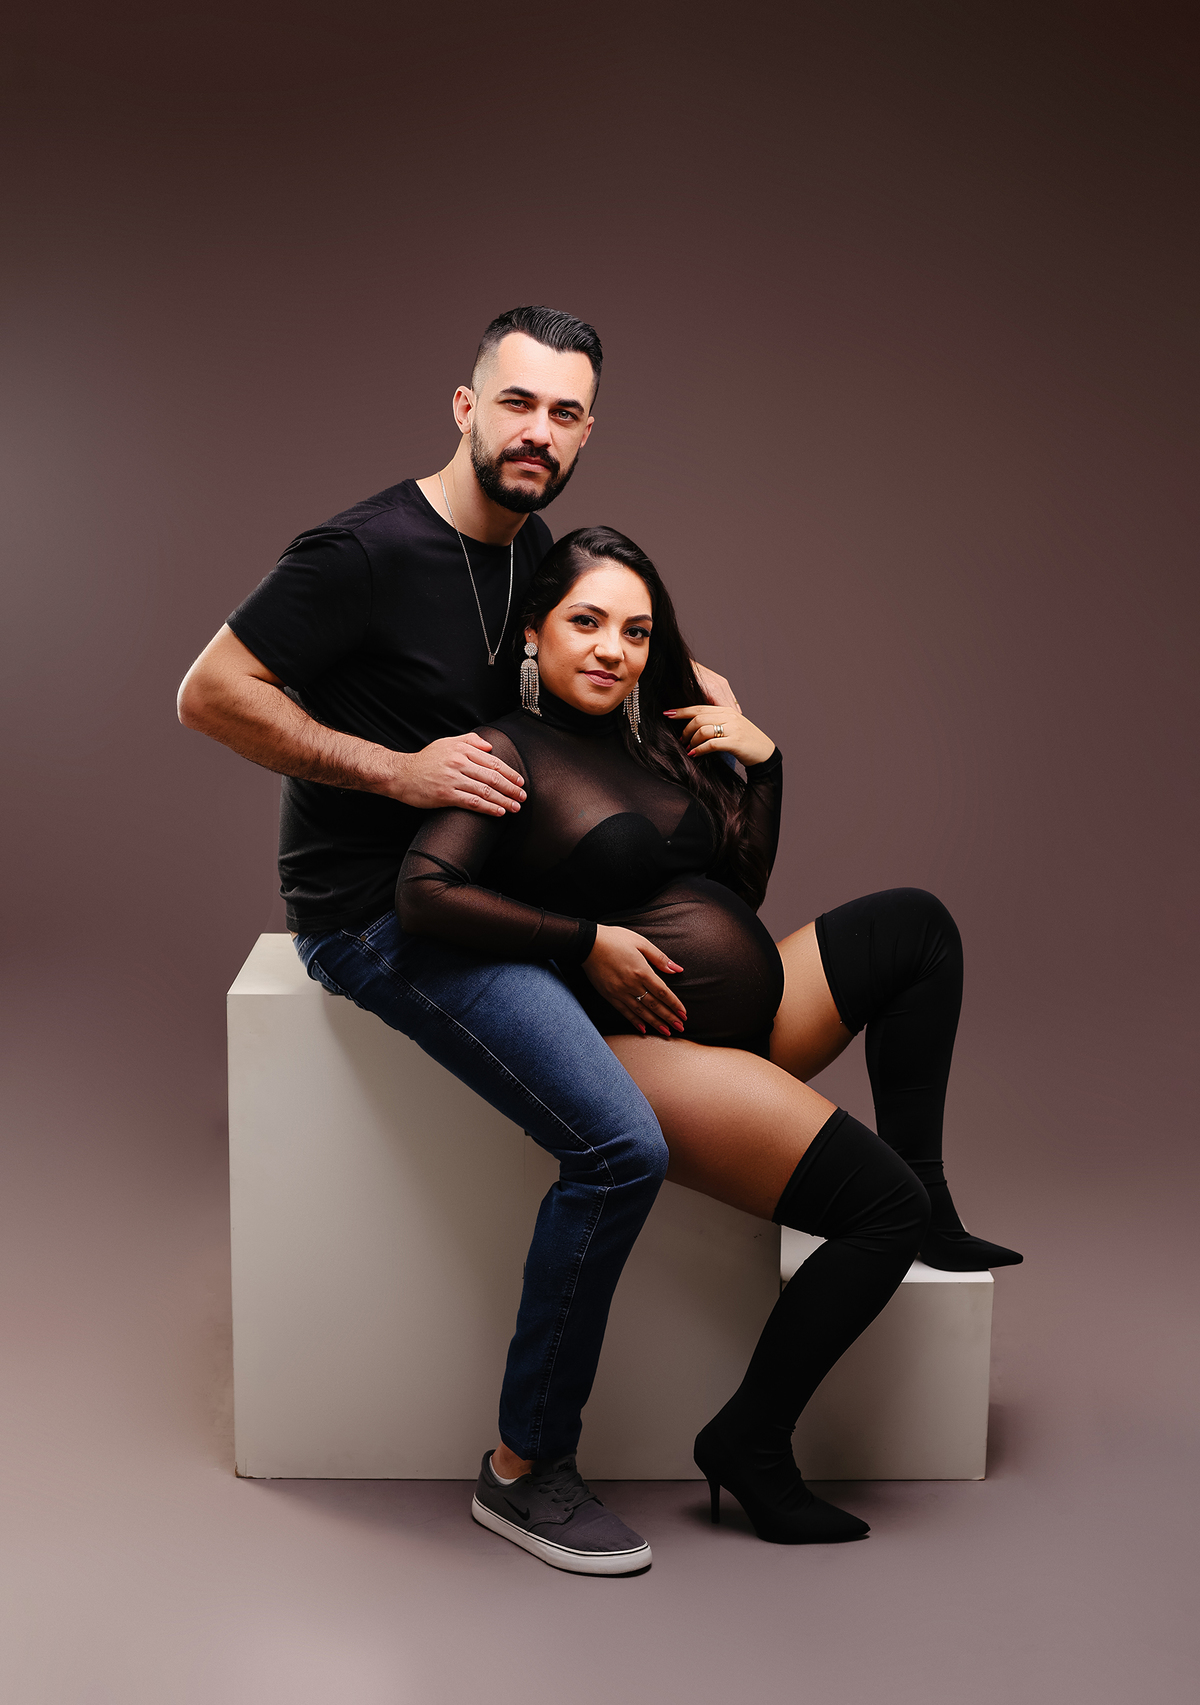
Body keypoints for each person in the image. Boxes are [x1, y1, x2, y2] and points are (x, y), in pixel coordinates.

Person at [178, 305, 743, 1579]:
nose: (537, 432)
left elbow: (599, 656)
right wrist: (394, 768)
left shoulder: (533, 549)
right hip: (383, 915)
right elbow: (207, 693)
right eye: (518, 402)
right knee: (621, 1148)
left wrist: (714, 709)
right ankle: (525, 1468)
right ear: (464, 405)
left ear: (587, 431)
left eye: (565, 413)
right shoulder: (363, 552)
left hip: (495, 878)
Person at [397, 525, 1023, 1549]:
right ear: (534, 631)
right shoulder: (508, 752)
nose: (613, 649)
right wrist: (584, 940)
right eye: (588, 621)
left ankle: (938, 1207)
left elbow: (737, 891)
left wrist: (765, 768)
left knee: (917, 928)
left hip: (742, 1021)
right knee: (878, 1210)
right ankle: (750, 1440)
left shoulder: (641, 741)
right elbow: (425, 892)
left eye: (636, 631)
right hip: (648, 1052)